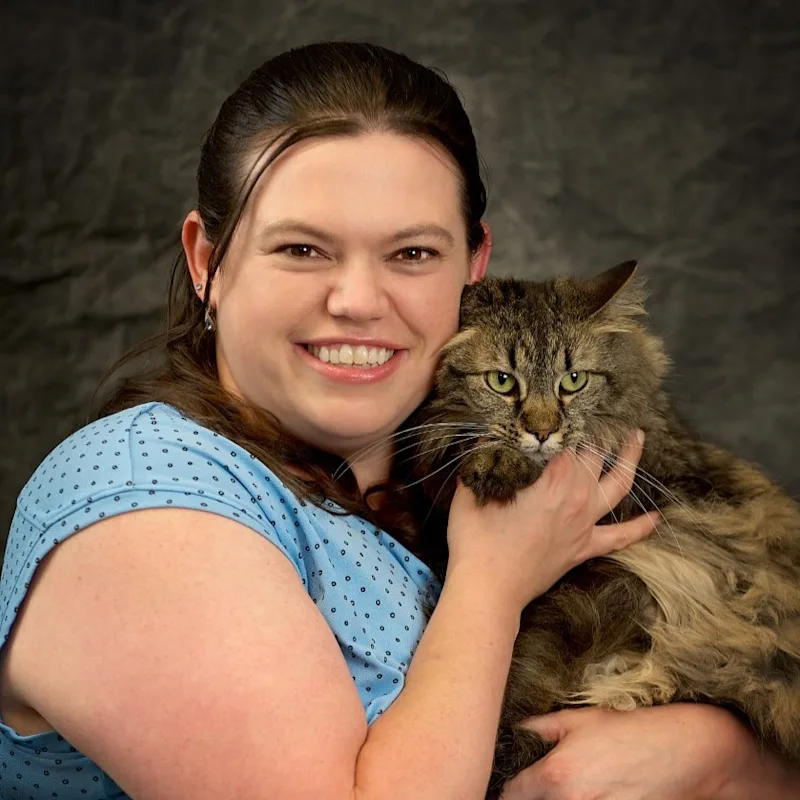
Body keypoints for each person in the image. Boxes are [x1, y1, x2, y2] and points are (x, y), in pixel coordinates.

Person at [0, 42, 797, 800]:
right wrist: (491, 584)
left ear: (473, 266)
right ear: (208, 260)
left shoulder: (449, 455)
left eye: (411, 253)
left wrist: (719, 759)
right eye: (303, 250)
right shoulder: (145, 501)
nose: (356, 301)